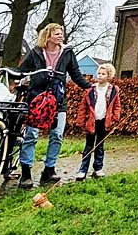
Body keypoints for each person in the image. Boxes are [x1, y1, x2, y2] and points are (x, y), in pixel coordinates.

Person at [17, 23, 93, 188]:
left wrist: (90, 87)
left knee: (57, 135)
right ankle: (26, 173)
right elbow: (21, 70)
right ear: (48, 36)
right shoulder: (36, 52)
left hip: (58, 101)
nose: (60, 36)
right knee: (31, 136)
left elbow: (76, 75)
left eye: (61, 33)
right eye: (57, 33)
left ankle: (49, 170)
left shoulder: (67, 53)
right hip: (37, 99)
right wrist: (5, 72)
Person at [75, 63, 122, 180]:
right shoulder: (90, 89)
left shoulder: (113, 90)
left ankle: (98, 168)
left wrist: (115, 117)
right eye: (99, 73)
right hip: (91, 121)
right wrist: (81, 120)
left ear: (109, 75)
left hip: (103, 121)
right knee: (88, 146)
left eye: (103, 74)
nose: (100, 76)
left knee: (100, 146)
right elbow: (83, 106)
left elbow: (117, 105)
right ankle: (82, 170)